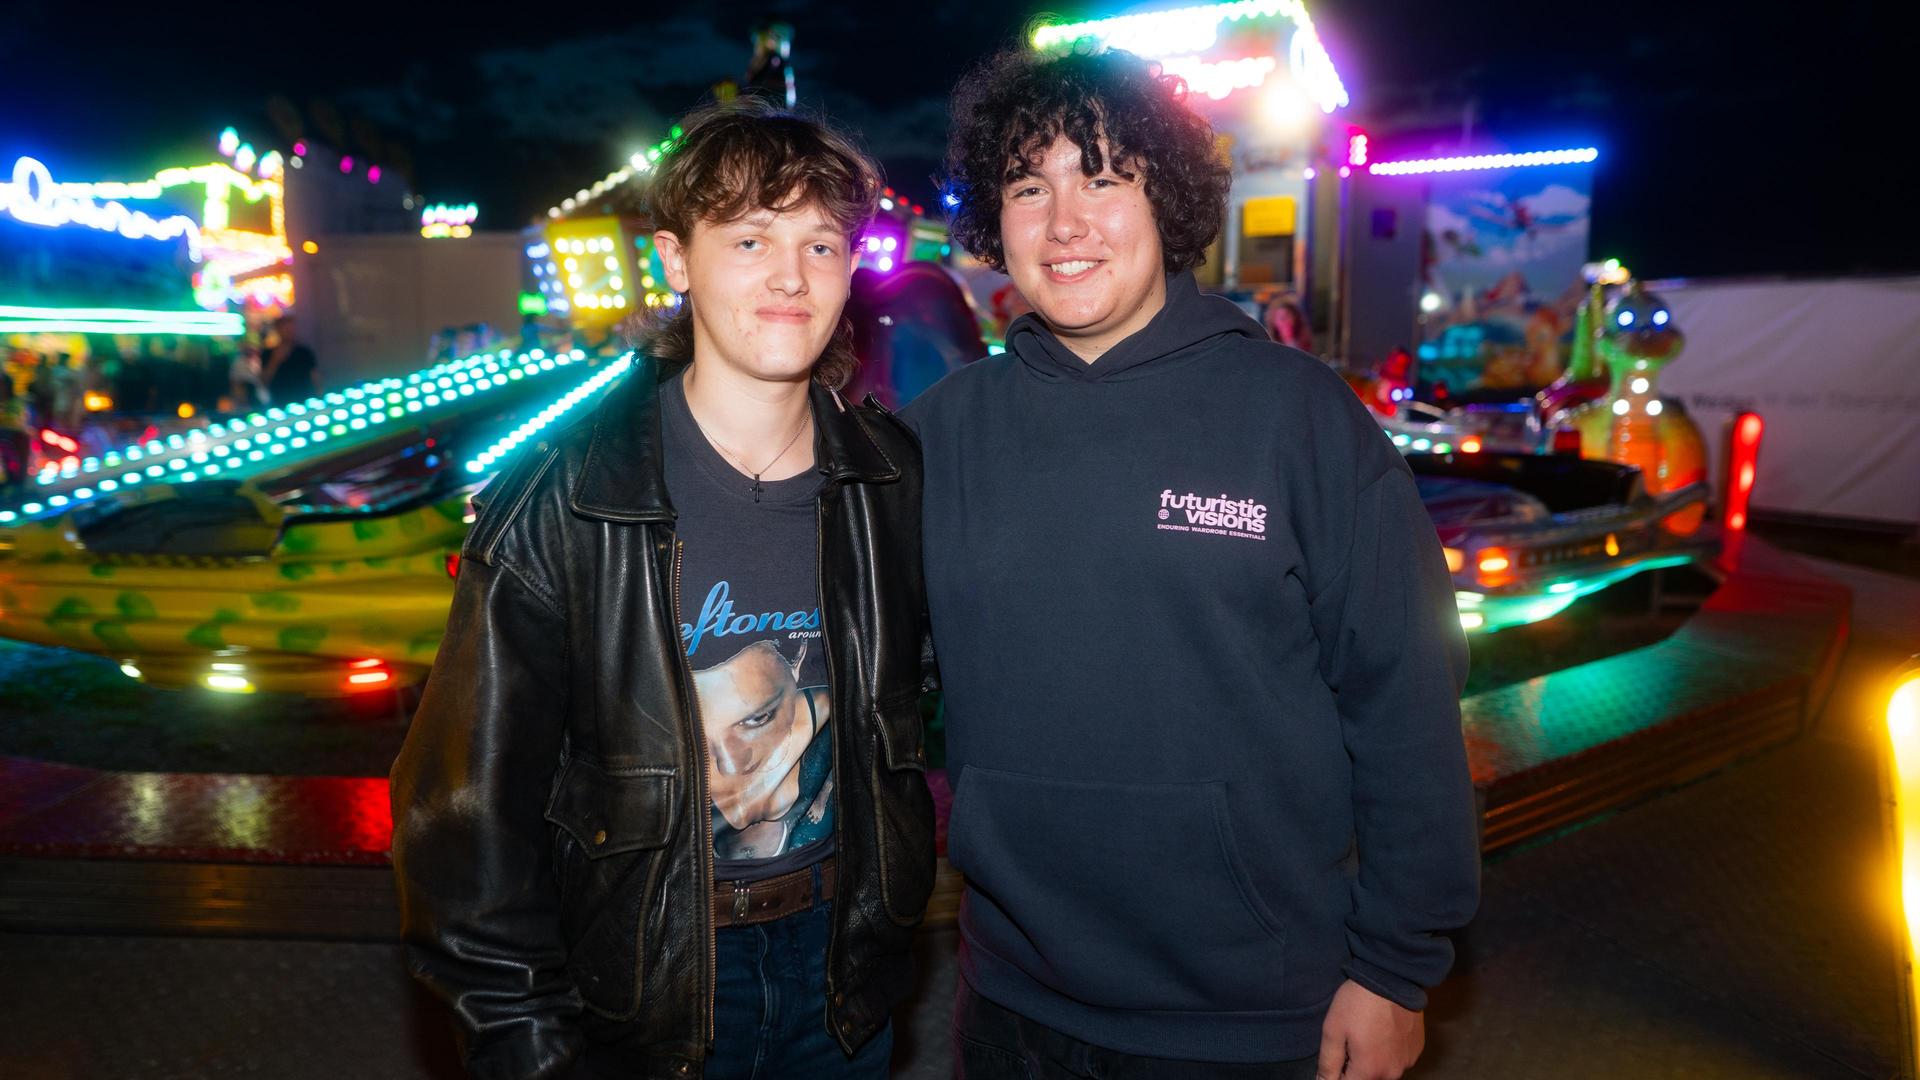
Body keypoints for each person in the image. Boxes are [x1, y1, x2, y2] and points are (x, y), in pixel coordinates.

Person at [905, 48, 1479, 1080]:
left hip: (1252, 1018)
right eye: (1029, 187)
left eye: (1104, 177)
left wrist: (1396, 969)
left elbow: (1409, 698)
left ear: (1165, 198)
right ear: (996, 222)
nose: (1065, 221)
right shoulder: (940, 434)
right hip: (1007, 1002)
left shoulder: (1299, 419)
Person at [389, 98, 936, 1080]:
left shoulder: (890, 483)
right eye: (751, 238)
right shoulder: (565, 498)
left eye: (821, 245)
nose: (789, 276)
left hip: (845, 983)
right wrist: (530, 1049)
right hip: (645, 987)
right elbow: (462, 817)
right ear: (678, 261)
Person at [261, 315, 318, 403]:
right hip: (281, 401)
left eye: (292, 329)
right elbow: (264, 381)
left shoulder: (303, 352)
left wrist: (319, 395)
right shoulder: (268, 353)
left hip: (305, 399)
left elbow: (314, 376)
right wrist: (274, 361)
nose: (290, 332)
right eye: (286, 329)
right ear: (278, 330)